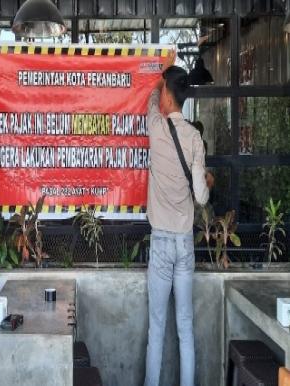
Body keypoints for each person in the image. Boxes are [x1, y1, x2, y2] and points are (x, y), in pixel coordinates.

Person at [144, 57, 209, 386]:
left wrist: (161, 74)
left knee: (157, 328)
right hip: (184, 245)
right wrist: (207, 183)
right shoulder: (195, 139)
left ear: (168, 95)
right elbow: (200, 196)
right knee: (185, 328)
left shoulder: (156, 128)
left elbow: (151, 100)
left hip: (161, 245)